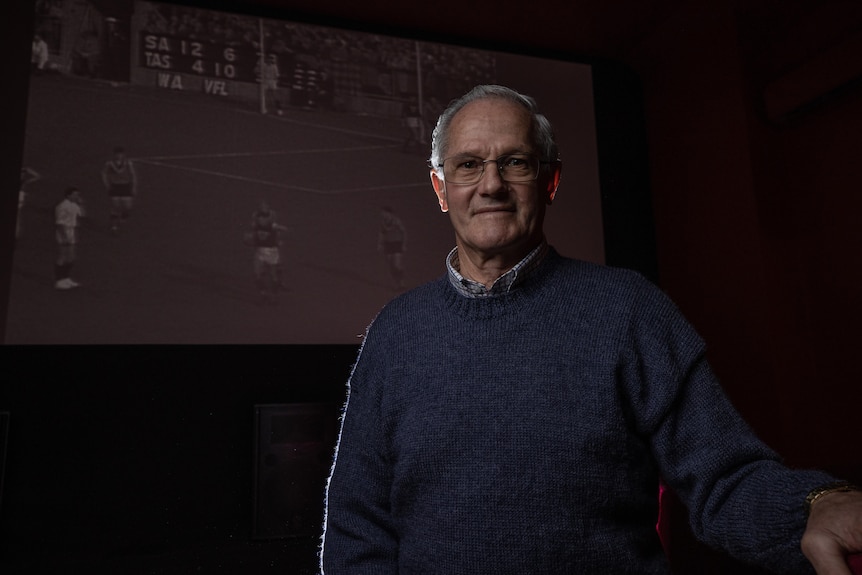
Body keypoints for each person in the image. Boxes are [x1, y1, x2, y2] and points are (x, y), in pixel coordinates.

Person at [320, 85, 862, 574]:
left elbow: (724, 477)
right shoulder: (394, 334)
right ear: (441, 190)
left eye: (515, 163)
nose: (491, 185)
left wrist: (814, 505)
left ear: (550, 181)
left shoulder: (628, 311)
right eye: (468, 166)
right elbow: (356, 526)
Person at [248, 200, 287, 305]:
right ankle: (263, 293)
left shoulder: (272, 225)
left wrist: (280, 236)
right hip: (260, 251)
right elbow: (252, 235)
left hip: (272, 252)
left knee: (274, 275)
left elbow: (282, 229)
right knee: (257, 274)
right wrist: (251, 239)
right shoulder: (256, 223)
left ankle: (274, 295)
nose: (261, 219)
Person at [54, 186, 85, 290]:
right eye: (75, 194)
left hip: (71, 231)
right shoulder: (62, 206)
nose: (77, 196)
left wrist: (81, 204)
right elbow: (59, 223)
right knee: (62, 257)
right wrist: (64, 237)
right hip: (63, 232)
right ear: (68, 195)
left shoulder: (75, 205)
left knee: (71, 257)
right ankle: (59, 281)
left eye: (78, 194)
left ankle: (66, 278)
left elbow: (83, 215)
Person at [101, 146, 137, 234]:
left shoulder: (128, 163)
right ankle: (114, 226)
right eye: (117, 154)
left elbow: (133, 175)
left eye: (121, 154)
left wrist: (134, 187)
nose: (119, 156)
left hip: (125, 186)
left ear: (123, 154)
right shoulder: (109, 163)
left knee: (128, 207)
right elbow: (104, 173)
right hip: (115, 186)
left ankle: (123, 216)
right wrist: (107, 184)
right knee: (115, 207)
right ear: (114, 154)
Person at [377, 206, 406, 291]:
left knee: (397, 265)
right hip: (388, 244)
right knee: (391, 266)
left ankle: (402, 283)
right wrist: (380, 244)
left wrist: (403, 244)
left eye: (384, 213)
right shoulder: (383, 222)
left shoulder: (396, 221)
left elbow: (403, 232)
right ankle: (396, 283)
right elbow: (381, 234)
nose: (383, 215)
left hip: (396, 244)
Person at [17, 166, 41, 239]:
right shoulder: (24, 183)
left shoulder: (24, 182)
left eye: (23, 173)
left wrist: (28, 170)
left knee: (19, 218)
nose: (23, 175)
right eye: (22, 173)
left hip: (20, 201)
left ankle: (17, 235)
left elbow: (38, 176)